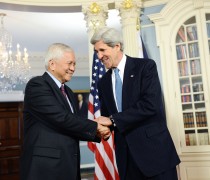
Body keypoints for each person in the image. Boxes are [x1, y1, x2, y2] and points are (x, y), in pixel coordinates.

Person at [91, 27, 181, 180]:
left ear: (117, 46)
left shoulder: (145, 67)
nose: (99, 56)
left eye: (102, 50)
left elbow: (150, 104)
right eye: (96, 52)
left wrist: (112, 120)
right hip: (126, 156)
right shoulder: (103, 82)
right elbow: (108, 115)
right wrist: (103, 128)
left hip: (155, 153)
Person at [20, 43, 111, 180]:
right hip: (45, 168)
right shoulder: (37, 85)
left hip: (68, 165)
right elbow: (60, 118)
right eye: (69, 63)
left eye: (74, 64)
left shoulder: (68, 91)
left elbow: (71, 125)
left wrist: (97, 134)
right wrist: (96, 127)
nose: (73, 68)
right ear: (52, 64)